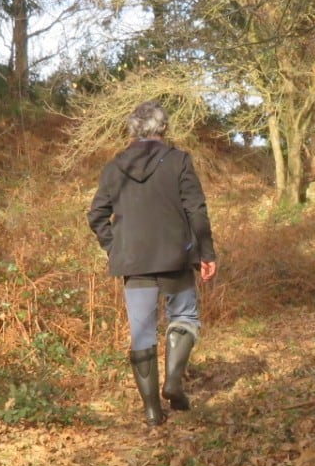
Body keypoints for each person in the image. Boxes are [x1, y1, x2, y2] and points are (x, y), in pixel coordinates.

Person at [87, 101, 218, 425]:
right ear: (163, 129)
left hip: (133, 261)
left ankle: (151, 411)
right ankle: (173, 382)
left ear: (133, 130)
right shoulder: (178, 162)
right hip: (175, 256)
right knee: (184, 316)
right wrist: (206, 252)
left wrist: (114, 246)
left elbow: (96, 214)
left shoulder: (113, 167)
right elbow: (196, 210)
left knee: (142, 332)